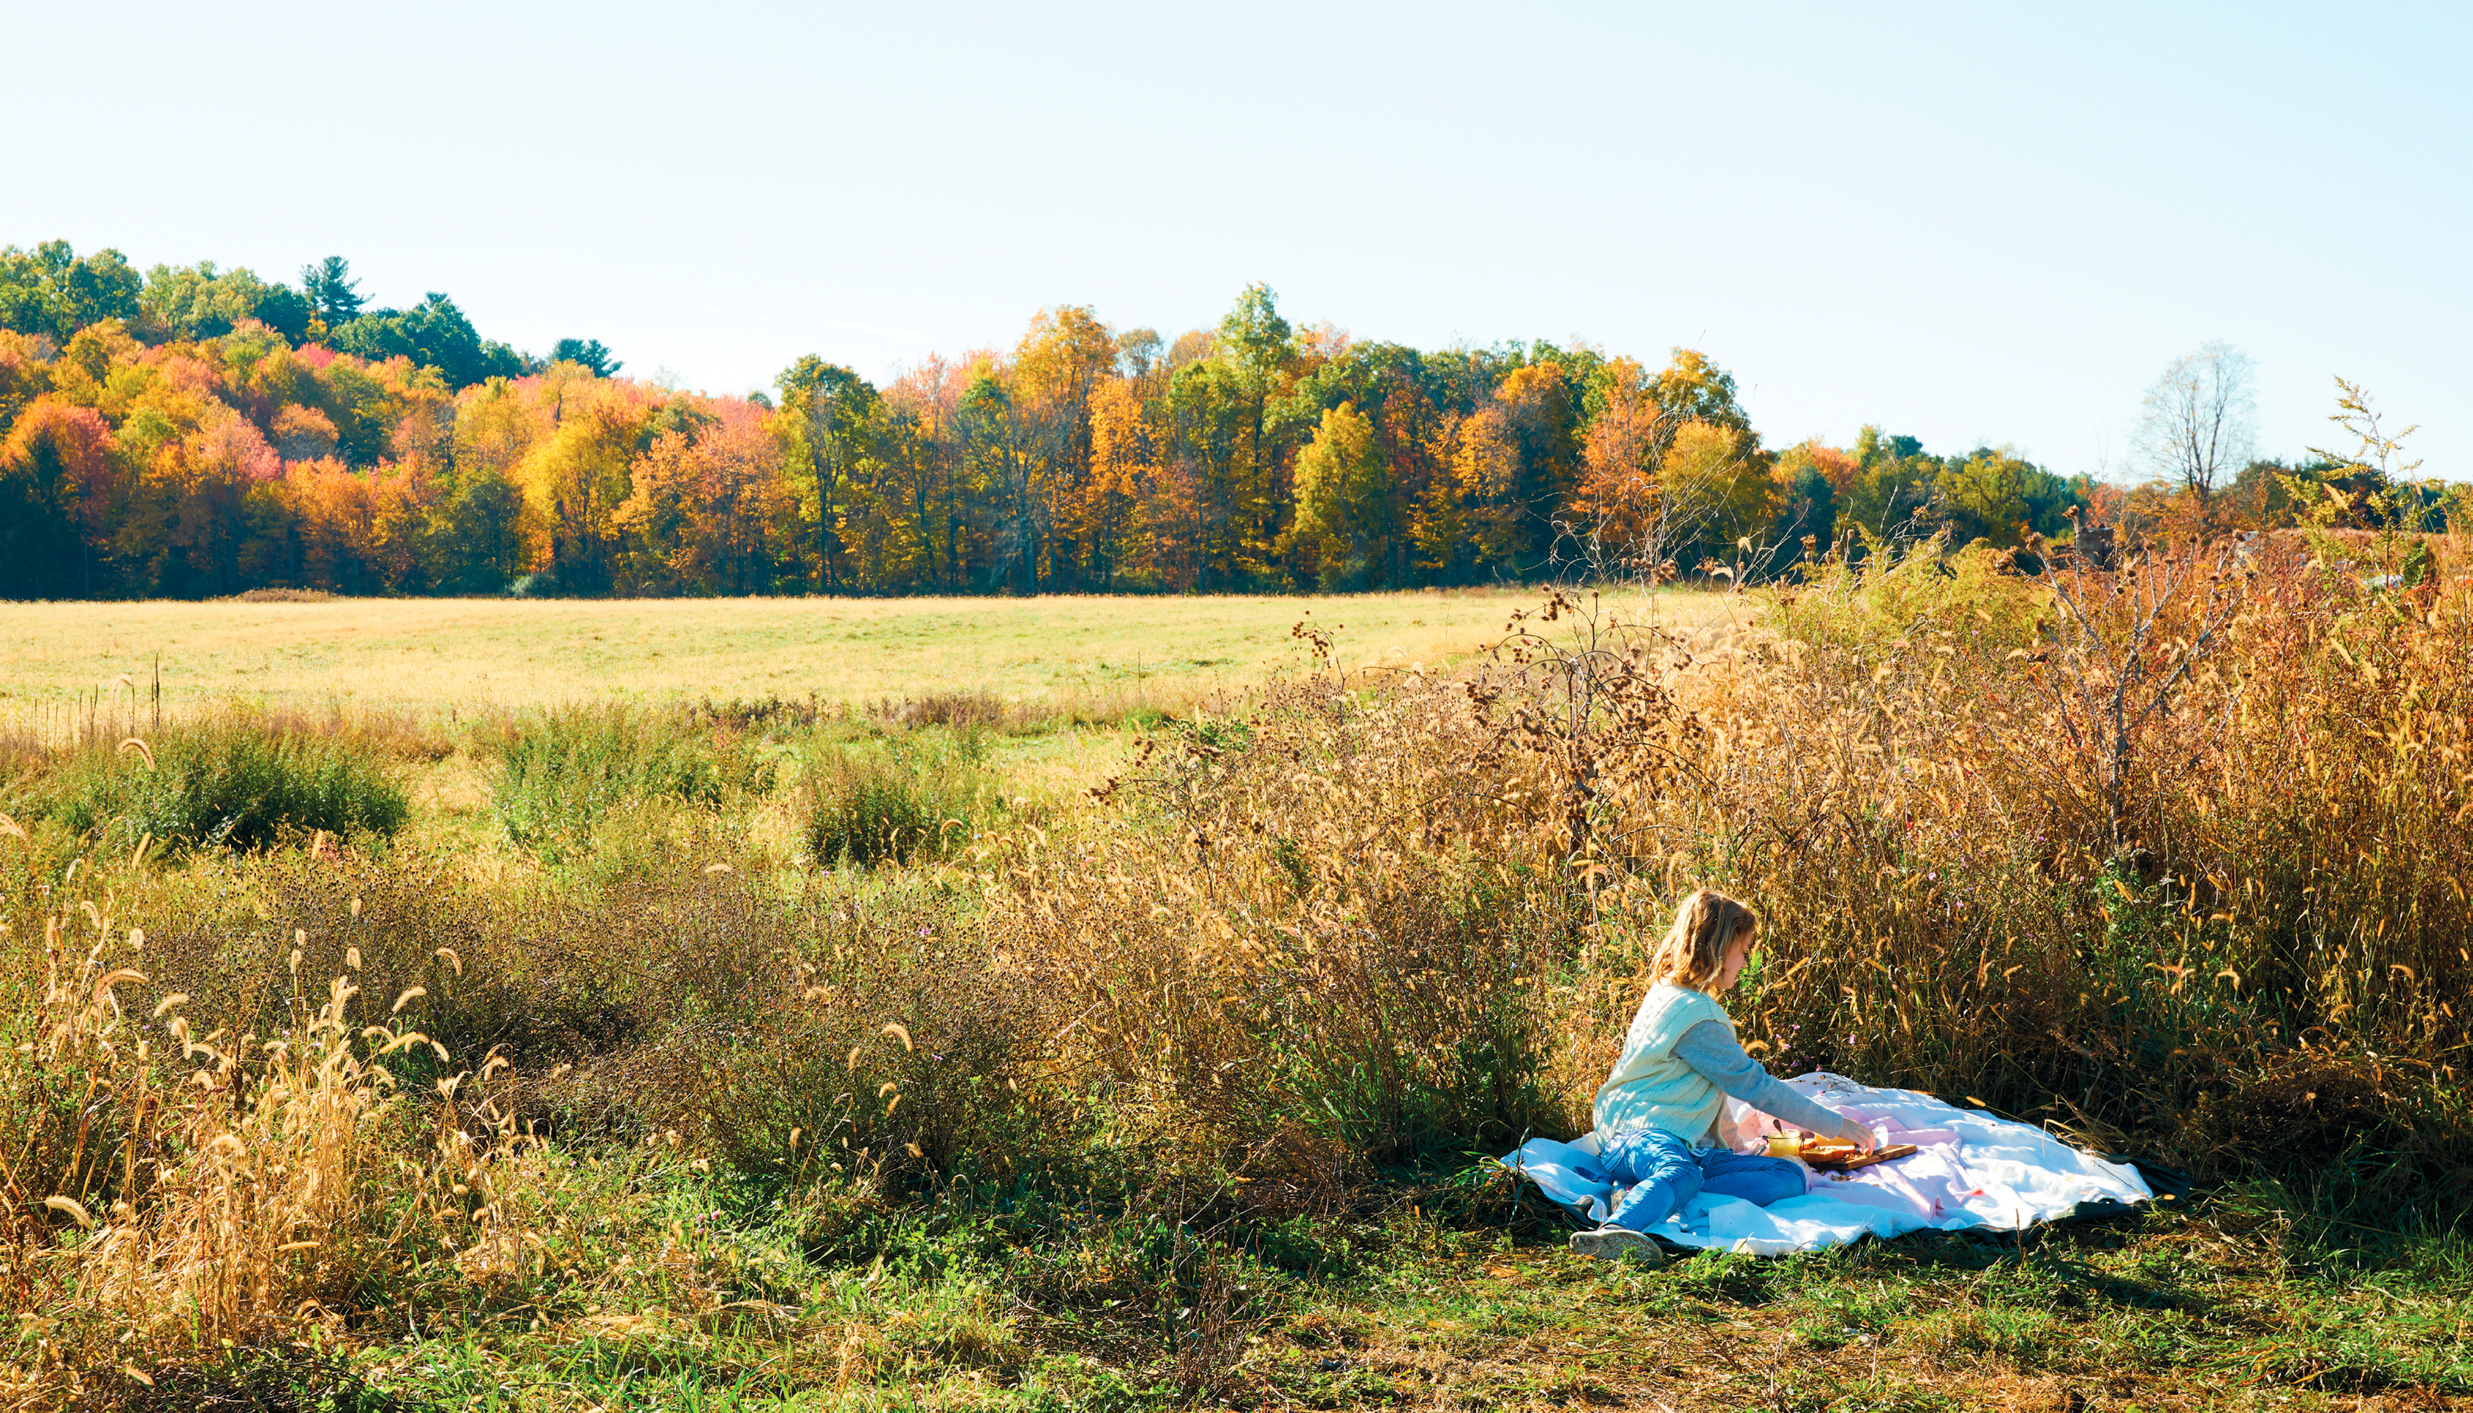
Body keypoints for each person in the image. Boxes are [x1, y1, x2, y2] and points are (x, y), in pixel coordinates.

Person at [1569, 889, 1877, 1265]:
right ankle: (1614, 1231)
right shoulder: (1692, 1015)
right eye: (1743, 950)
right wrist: (1835, 1124)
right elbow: (1754, 1087)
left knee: (1789, 1175)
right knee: (1679, 1171)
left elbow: (1711, 1092)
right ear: (1719, 947)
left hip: (1684, 1145)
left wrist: (1730, 1146)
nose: (1746, 962)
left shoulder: (1678, 995)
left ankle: (1648, 1191)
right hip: (1637, 1134)